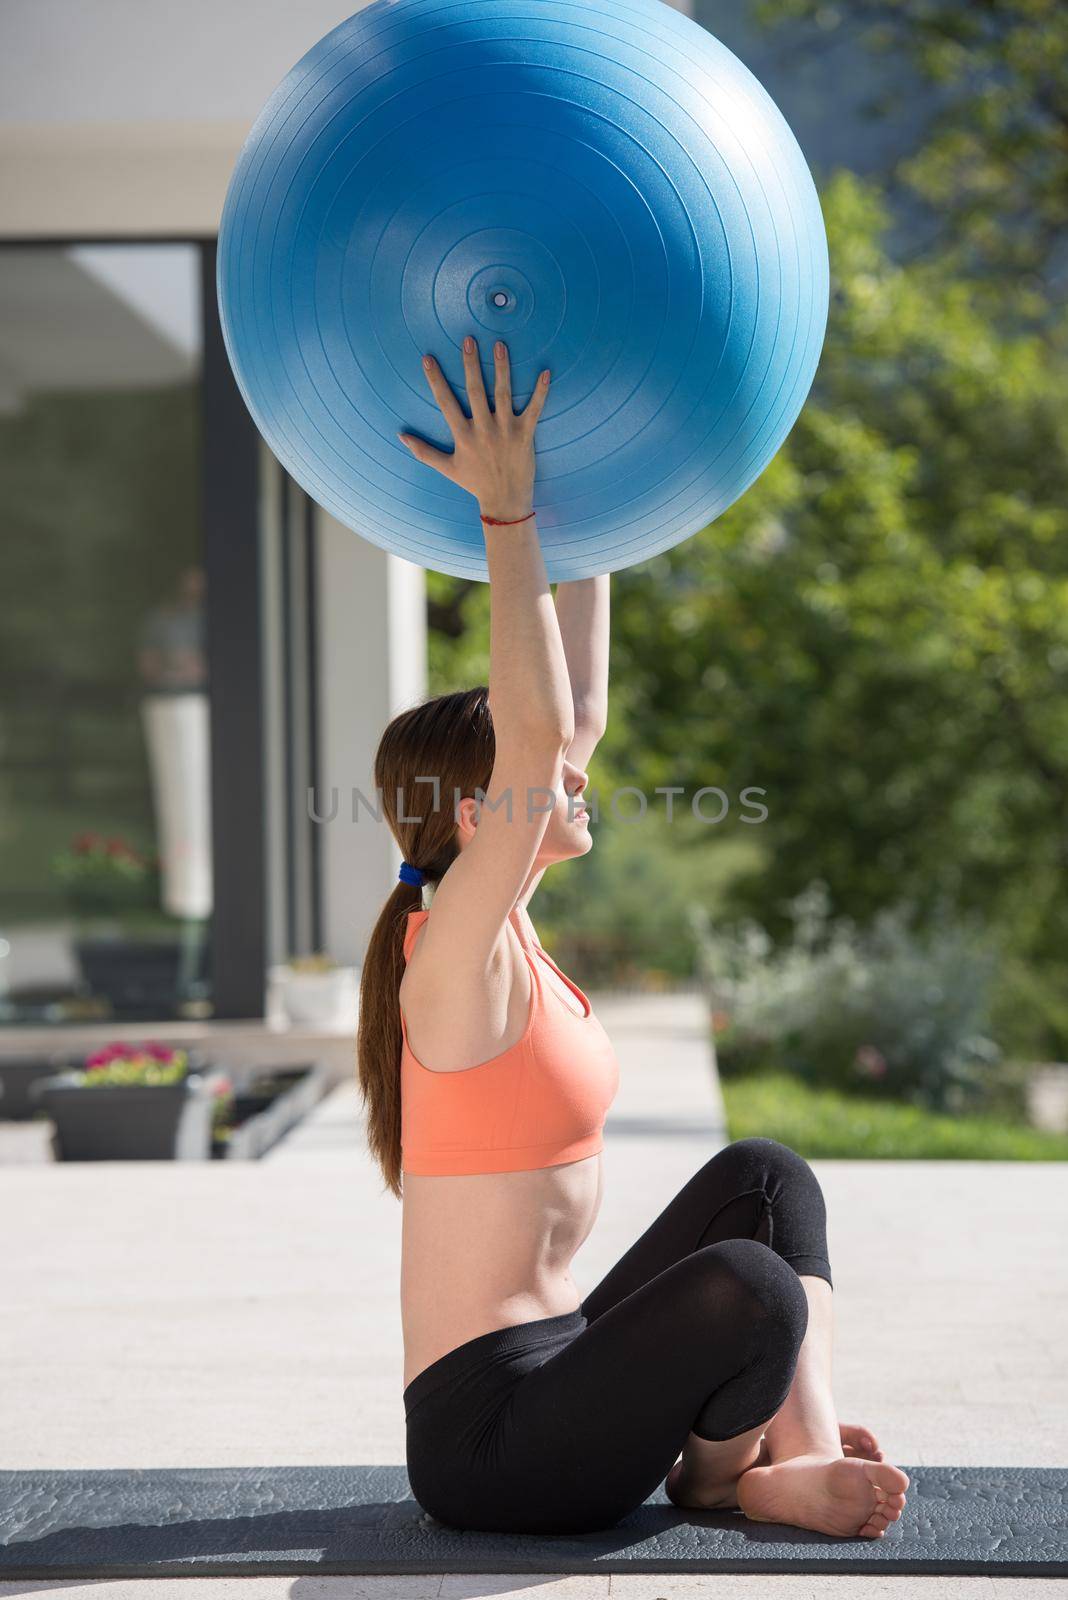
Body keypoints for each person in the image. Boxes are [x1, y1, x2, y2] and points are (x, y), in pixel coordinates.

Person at [356, 334, 910, 1538]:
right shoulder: (452, 955)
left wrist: (597, 508)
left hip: (567, 1366)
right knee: (752, 1289)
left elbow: (577, 706)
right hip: (491, 1442)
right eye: (545, 773)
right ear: (479, 813)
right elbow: (542, 726)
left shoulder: (511, 925)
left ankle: (794, 1455)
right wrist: (507, 516)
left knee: (764, 1182)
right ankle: (721, 1479)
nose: (579, 771)